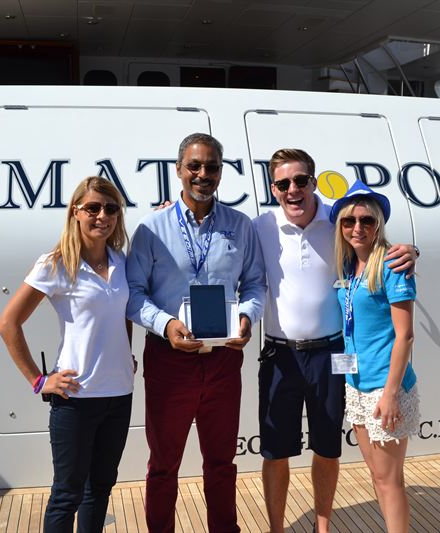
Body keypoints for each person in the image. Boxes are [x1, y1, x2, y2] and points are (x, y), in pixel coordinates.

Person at [252, 149, 418, 533]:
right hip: (280, 355)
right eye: (283, 183)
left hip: (331, 355)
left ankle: (322, 528)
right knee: (275, 453)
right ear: (273, 188)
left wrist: (411, 251)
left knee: (327, 449)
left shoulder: (337, 217)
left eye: (300, 181)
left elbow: (377, 244)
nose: (292, 189)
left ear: (313, 182)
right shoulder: (260, 225)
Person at [126, 132, 266, 533]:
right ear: (178, 170)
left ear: (221, 172)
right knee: (163, 465)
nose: (203, 174)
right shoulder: (151, 228)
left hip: (224, 359)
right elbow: (133, 293)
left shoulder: (240, 225)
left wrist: (247, 316)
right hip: (169, 360)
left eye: (211, 167)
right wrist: (165, 324)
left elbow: (255, 284)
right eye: (194, 166)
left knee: (221, 462)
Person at [0, 176, 135, 533]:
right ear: (76, 212)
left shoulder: (120, 261)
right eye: (93, 208)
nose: (102, 216)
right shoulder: (56, 263)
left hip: (119, 395)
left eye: (111, 209)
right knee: (66, 495)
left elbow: (122, 314)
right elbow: (8, 324)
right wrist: (38, 380)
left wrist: (127, 352)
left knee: (99, 489)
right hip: (76, 398)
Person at [332, 180, 420, 533]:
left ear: (378, 224)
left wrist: (390, 394)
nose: (357, 228)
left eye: (366, 220)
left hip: (384, 387)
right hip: (356, 384)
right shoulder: (348, 266)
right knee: (378, 475)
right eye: (349, 221)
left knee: (389, 480)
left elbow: (405, 335)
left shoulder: (392, 265)